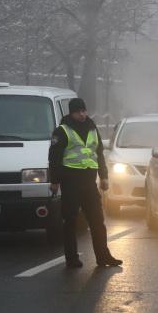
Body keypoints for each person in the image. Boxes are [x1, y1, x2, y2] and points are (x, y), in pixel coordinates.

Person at [48, 98, 122, 268]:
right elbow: (54, 158)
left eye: (84, 110)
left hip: (89, 183)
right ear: (71, 113)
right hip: (70, 181)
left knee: (97, 220)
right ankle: (71, 259)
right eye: (78, 111)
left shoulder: (92, 128)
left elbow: (99, 154)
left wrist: (104, 176)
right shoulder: (62, 131)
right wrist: (55, 180)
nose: (82, 114)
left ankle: (103, 256)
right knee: (70, 221)